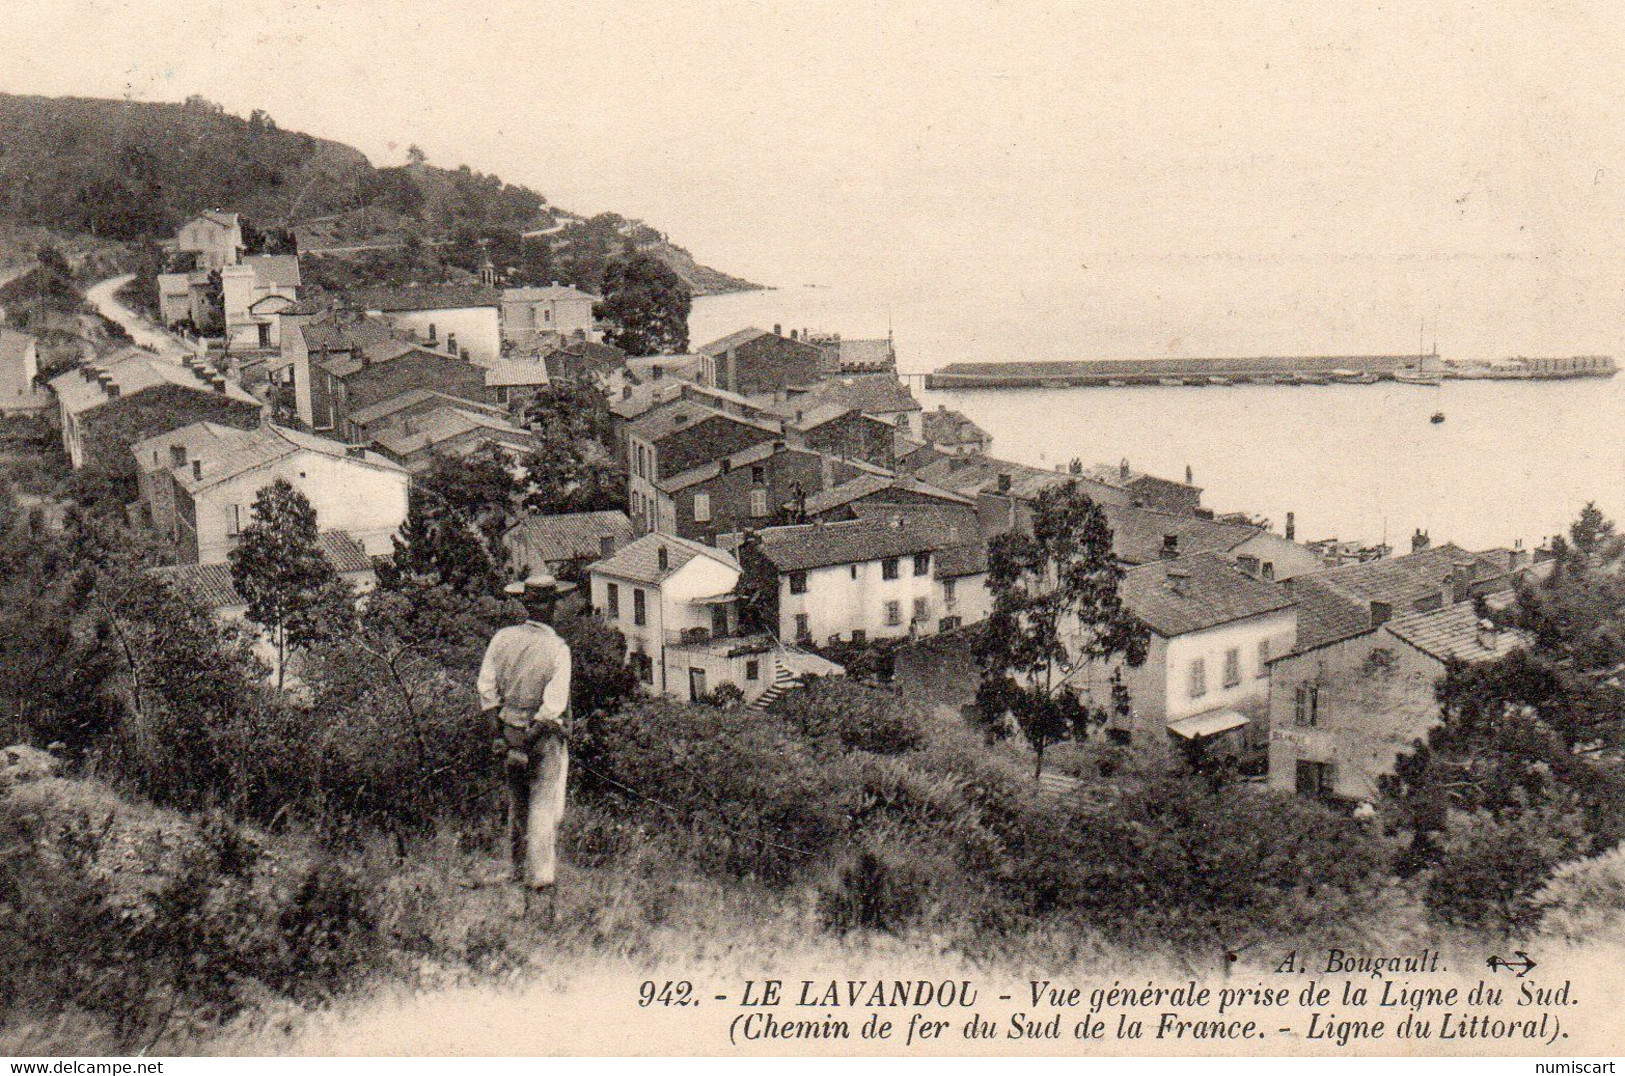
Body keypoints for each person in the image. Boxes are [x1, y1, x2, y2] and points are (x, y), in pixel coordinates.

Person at [477, 571, 574, 922]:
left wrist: (502, 739)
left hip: (508, 731)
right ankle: (540, 880)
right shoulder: (558, 650)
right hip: (540, 738)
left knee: (518, 805)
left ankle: (517, 870)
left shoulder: (502, 639)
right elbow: (553, 708)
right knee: (543, 807)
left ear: (524, 604)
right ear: (553, 607)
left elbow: (487, 692)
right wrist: (528, 740)